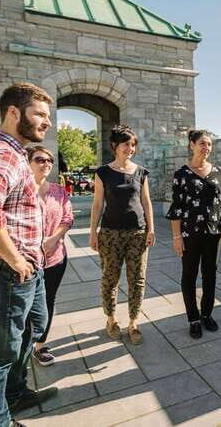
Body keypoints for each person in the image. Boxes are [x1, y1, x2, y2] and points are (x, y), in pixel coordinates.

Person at [0, 83, 59, 426]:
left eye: (48, 115)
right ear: (14, 113)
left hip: (28, 268)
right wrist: (16, 259)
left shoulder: (17, 155)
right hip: (8, 270)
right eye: (40, 114)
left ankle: (15, 394)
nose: (47, 122)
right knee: (0, 351)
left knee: (33, 327)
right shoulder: (0, 154)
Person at [89, 125, 155, 345]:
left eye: (133, 144)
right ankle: (111, 319)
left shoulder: (141, 172)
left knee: (137, 279)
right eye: (126, 144)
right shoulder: (103, 172)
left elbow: (146, 202)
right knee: (110, 278)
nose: (130, 148)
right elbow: (97, 204)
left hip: (138, 233)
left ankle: (134, 322)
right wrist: (93, 232)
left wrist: (151, 229)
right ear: (115, 146)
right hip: (110, 233)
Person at [166, 129, 221, 339]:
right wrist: (177, 237)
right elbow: (177, 208)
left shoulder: (218, 172)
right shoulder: (182, 174)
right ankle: (193, 319)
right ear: (192, 145)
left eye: (209, 144)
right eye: (202, 143)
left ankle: (206, 314)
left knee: (210, 275)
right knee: (189, 275)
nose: (206, 148)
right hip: (189, 234)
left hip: (213, 233)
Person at [27, 146, 74, 366]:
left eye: (49, 160)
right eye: (39, 160)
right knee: (24, 304)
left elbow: (68, 218)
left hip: (55, 258)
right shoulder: (19, 190)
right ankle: (22, 346)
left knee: (48, 300)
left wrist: (53, 239)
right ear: (28, 163)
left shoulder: (59, 191)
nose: (46, 164)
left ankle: (40, 345)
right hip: (27, 261)